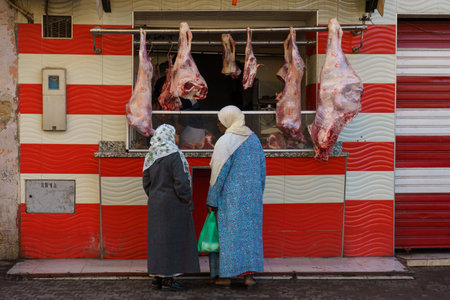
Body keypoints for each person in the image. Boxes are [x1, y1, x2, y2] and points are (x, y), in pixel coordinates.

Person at [206, 105, 266, 288]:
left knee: (229, 236)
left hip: (231, 200)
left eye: (220, 120)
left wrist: (212, 199)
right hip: (253, 198)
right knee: (250, 236)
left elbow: (219, 173)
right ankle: (249, 277)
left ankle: (225, 276)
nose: (218, 124)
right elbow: (263, 170)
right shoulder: (254, 139)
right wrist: (258, 193)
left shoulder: (226, 141)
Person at [142, 124, 200, 291]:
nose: (176, 137)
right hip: (174, 204)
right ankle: (169, 280)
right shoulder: (174, 155)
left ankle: (157, 278)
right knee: (173, 241)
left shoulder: (151, 155)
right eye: (175, 134)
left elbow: (146, 182)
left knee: (158, 241)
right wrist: (187, 199)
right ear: (168, 136)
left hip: (156, 204)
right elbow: (181, 182)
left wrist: (155, 196)